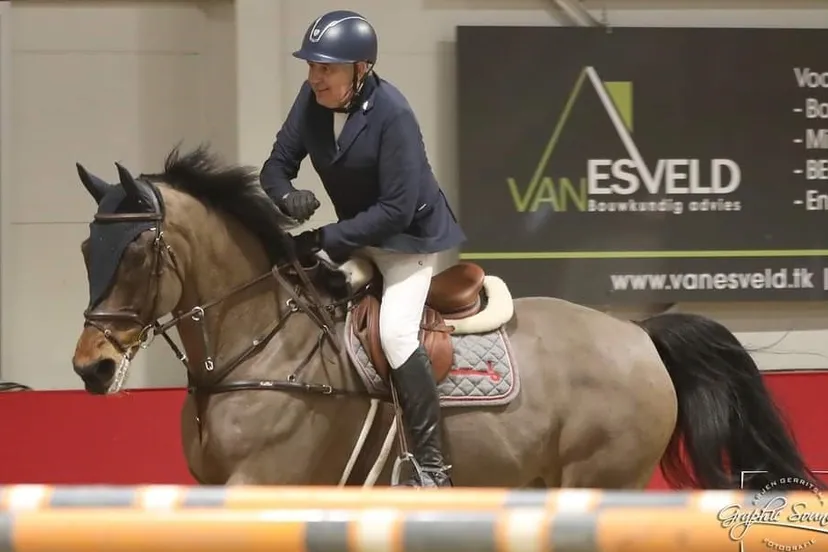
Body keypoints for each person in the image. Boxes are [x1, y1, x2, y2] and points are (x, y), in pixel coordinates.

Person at [258, 10, 466, 488]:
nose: (315, 78)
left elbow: (395, 210)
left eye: (326, 68)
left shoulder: (394, 114)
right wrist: (286, 196)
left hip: (407, 240)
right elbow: (276, 165)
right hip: (357, 236)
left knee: (395, 335)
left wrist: (326, 238)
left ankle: (432, 467)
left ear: (361, 68)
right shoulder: (311, 100)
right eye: (312, 66)